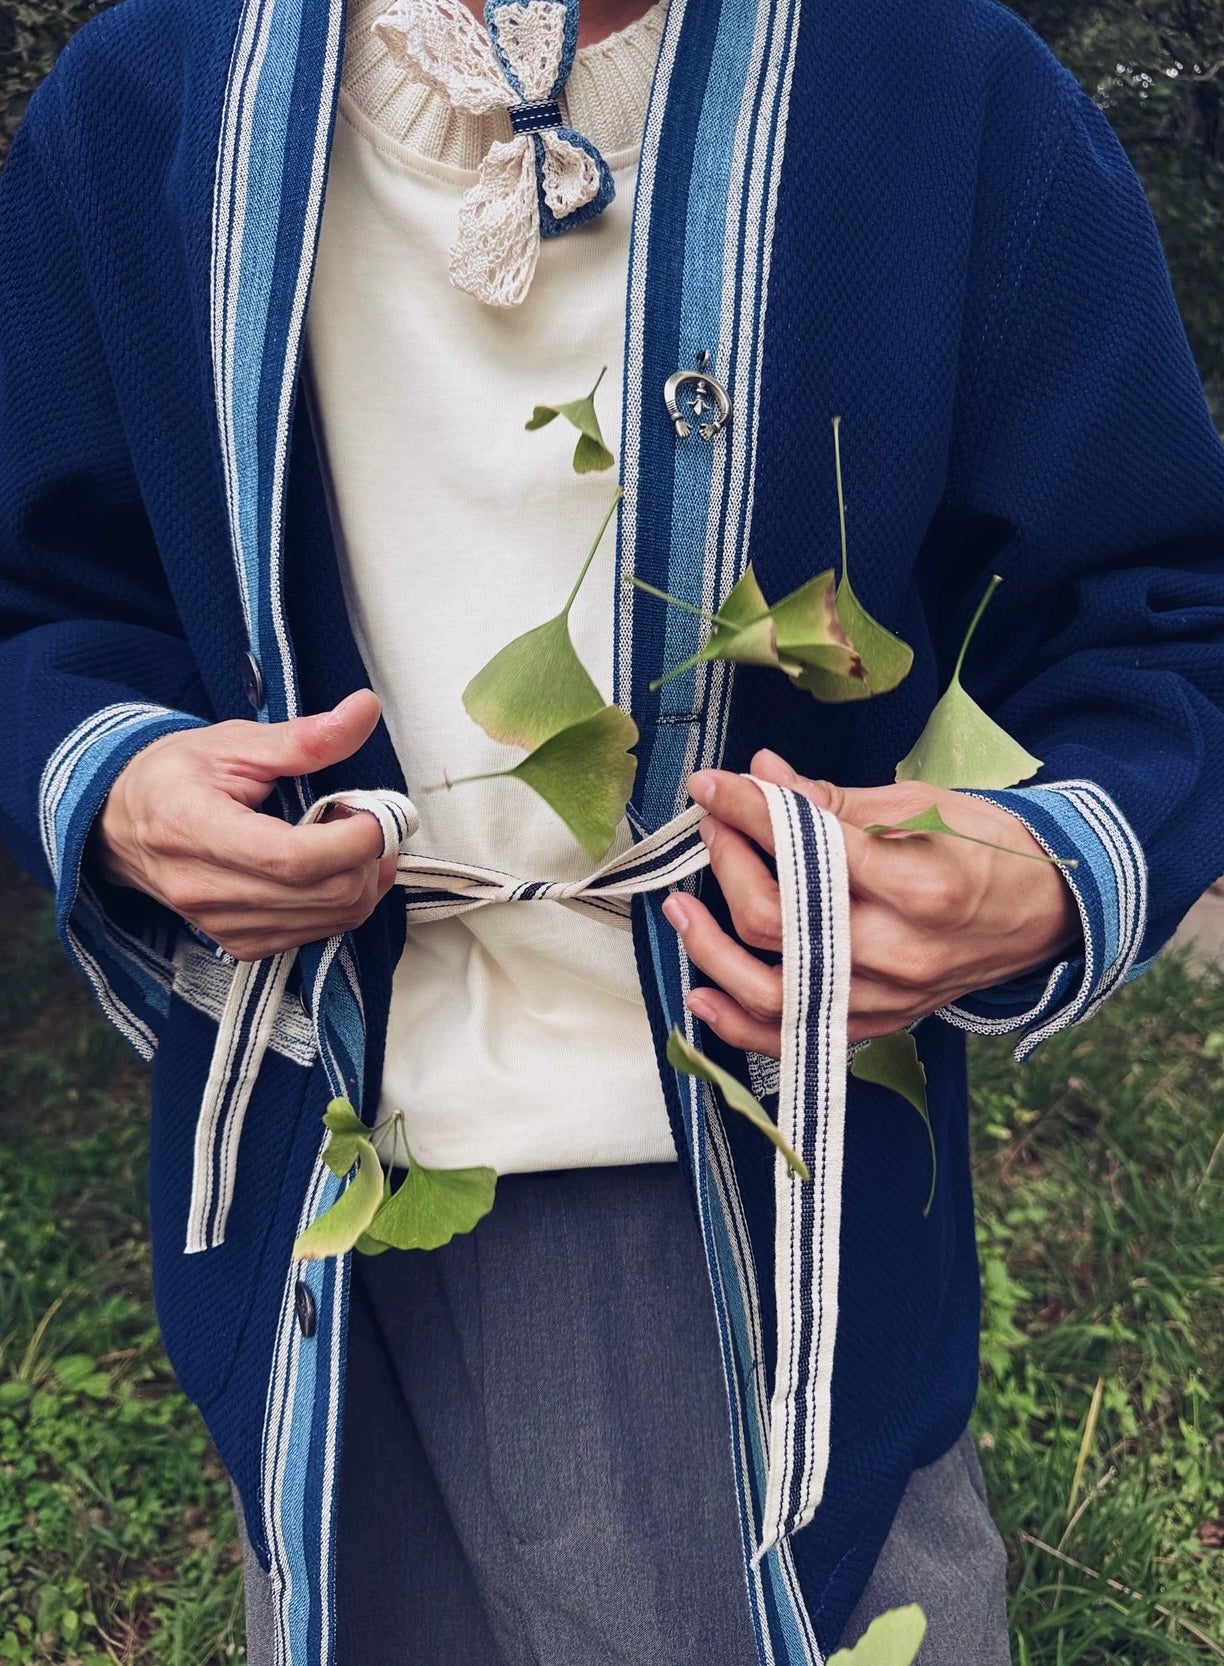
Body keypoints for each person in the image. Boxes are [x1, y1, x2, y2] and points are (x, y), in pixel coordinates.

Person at [1, 0, 1222, 1660]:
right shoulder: (145, 110)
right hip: (319, 1245)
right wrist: (123, 777)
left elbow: (1161, 618)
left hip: (775, 1218)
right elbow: (43, 595)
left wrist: (1047, 863)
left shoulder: (939, 89)